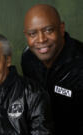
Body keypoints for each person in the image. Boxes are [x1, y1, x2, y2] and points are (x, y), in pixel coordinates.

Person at [21, 4, 83, 135]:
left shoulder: (79, 62)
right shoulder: (27, 59)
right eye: (33, 34)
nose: (41, 39)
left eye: (48, 30)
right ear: (26, 36)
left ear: (61, 28)